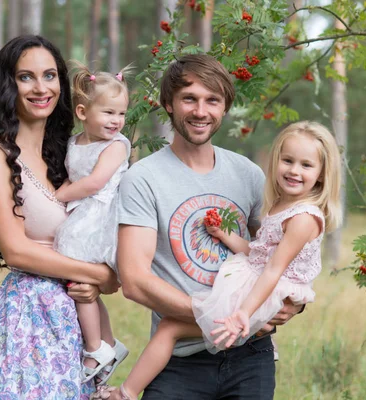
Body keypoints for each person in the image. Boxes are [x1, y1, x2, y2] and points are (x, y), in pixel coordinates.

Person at [100, 54, 307, 400]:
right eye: (189, 99)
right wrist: (220, 318)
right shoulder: (143, 179)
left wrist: (294, 304)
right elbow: (135, 282)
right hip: (179, 359)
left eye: (212, 100)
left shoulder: (250, 176)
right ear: (168, 103)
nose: (201, 111)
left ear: (224, 107)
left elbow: (280, 254)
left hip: (251, 355)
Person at [0, 35, 119, 399]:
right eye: (26, 77)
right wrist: (101, 275)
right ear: (7, 85)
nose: (40, 87)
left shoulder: (66, 155)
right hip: (28, 315)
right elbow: (16, 252)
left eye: (49, 76)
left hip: (73, 310)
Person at [53, 63, 132, 385]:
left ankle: (93, 347)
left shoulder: (116, 146)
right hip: (83, 211)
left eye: (122, 114)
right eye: (109, 113)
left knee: (76, 278)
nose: (117, 121)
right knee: (87, 289)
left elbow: (94, 183)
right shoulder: (74, 142)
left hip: (100, 215)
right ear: (83, 112)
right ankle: (109, 344)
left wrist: (57, 196)